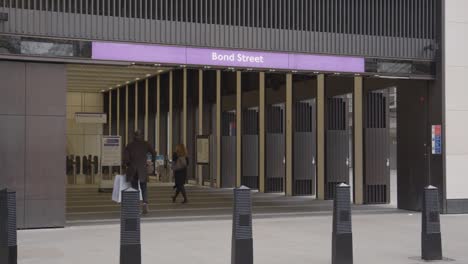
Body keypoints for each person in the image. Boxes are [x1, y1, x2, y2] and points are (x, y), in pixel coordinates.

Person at [123, 130, 156, 214]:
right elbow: (154, 153)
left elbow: (125, 159)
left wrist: (129, 164)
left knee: (134, 188)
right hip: (142, 169)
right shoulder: (145, 144)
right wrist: (151, 161)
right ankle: (145, 203)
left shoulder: (129, 145)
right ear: (141, 136)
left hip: (132, 169)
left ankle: (135, 205)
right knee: (144, 187)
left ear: (133, 136)